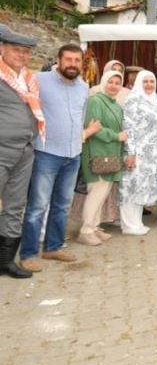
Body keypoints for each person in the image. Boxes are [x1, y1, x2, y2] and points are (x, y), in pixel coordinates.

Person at [20, 44, 93, 273]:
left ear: (82, 63)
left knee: (62, 205)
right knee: (37, 206)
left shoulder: (83, 87)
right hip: (46, 153)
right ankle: (28, 254)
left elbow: (81, 118)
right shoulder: (38, 80)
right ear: (59, 61)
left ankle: (53, 247)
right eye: (68, 59)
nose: (72, 64)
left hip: (73, 154)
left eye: (77, 60)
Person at [0, 28, 41, 279]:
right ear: (2, 49)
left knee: (15, 206)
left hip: (25, 150)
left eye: (26, 52)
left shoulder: (29, 79)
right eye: (16, 50)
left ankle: (6, 262)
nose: (22, 55)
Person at [78, 70, 127, 246]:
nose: (114, 86)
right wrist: (116, 136)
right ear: (103, 82)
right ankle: (86, 230)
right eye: (110, 82)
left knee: (102, 192)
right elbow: (94, 127)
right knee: (96, 192)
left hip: (110, 154)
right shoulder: (96, 101)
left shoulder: (115, 104)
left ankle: (94, 226)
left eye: (117, 82)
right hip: (97, 154)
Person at [118, 71, 157, 235]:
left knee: (142, 188)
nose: (149, 85)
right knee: (131, 186)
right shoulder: (134, 99)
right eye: (145, 81)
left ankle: (136, 222)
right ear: (138, 83)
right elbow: (128, 126)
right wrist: (131, 152)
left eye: (152, 81)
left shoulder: (153, 100)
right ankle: (128, 225)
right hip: (136, 152)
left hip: (150, 154)